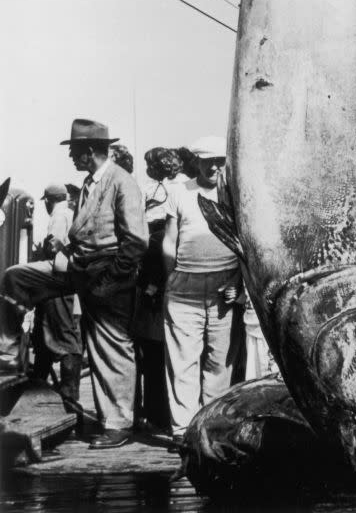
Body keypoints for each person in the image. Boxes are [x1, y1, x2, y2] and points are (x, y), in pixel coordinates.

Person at [0, 119, 148, 447]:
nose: (71, 158)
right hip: (79, 268)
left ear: (91, 151)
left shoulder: (122, 183)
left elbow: (136, 241)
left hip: (108, 276)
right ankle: (7, 352)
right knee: (16, 277)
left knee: (110, 346)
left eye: (75, 151)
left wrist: (111, 281)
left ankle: (118, 425)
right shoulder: (89, 184)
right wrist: (64, 250)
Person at [163, 136, 241, 444]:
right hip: (186, 283)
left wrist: (238, 281)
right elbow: (169, 239)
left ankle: (211, 426)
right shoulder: (179, 191)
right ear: (197, 162)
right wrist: (170, 277)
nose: (214, 167)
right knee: (183, 359)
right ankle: (182, 431)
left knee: (219, 361)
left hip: (225, 285)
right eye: (208, 161)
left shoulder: (234, 192)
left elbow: (245, 242)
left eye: (220, 161)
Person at [132, 148, 184, 433]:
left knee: (152, 350)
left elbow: (150, 240)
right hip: (178, 275)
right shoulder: (185, 188)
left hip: (155, 277)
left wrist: (152, 283)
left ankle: (156, 412)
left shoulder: (153, 192)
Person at [29, 183, 84, 409]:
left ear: (49, 201)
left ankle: (69, 397)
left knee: (64, 338)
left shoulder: (59, 215)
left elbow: (54, 247)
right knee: (44, 336)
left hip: (57, 283)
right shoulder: (71, 212)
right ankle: (38, 386)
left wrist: (38, 255)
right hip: (65, 285)